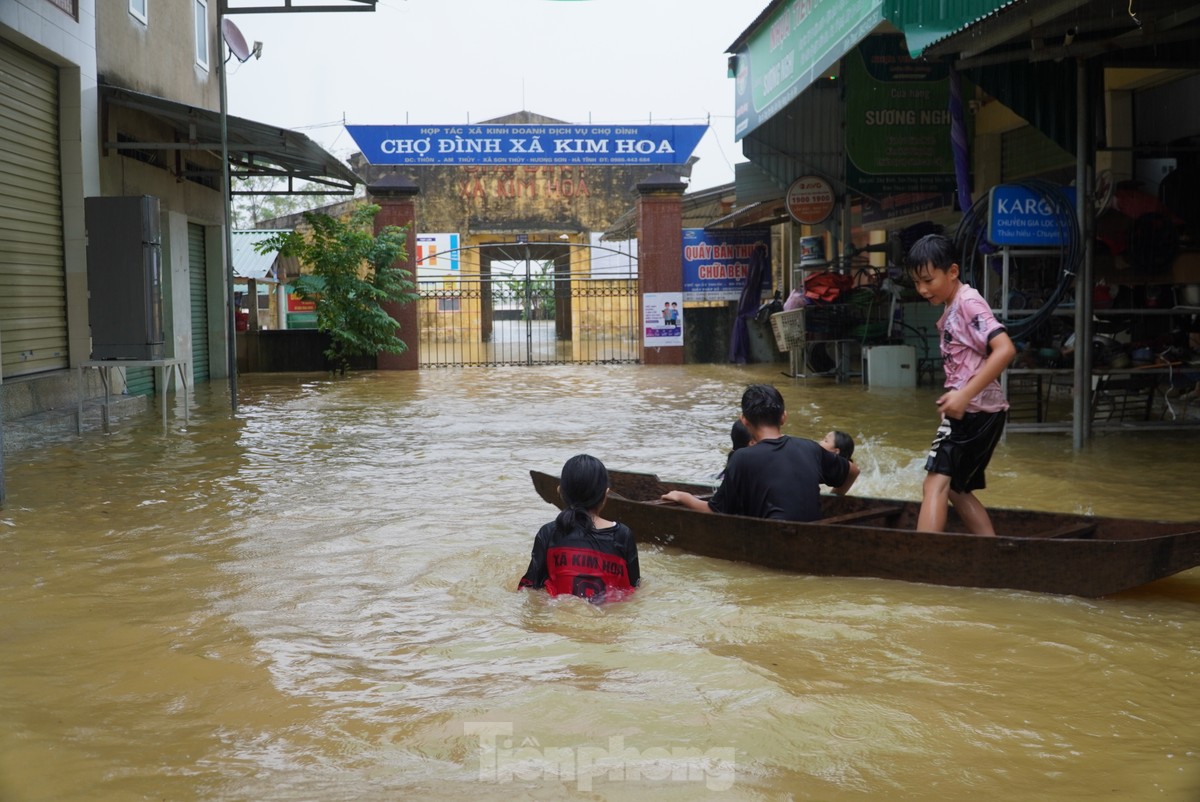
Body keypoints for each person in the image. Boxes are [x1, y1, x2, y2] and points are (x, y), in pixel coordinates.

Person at [904, 233, 1016, 535]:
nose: (922, 289)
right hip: (984, 411)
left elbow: (1005, 349)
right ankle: (988, 550)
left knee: (934, 485)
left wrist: (963, 395)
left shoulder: (967, 302)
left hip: (973, 411)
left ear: (952, 272)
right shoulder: (954, 305)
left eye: (928, 280)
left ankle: (923, 562)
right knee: (956, 488)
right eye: (917, 283)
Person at [662, 384, 858, 521]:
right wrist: (833, 498)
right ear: (784, 417)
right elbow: (853, 471)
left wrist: (683, 497)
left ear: (744, 420)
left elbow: (717, 512)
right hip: (815, 535)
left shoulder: (742, 457)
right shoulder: (810, 448)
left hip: (775, 542)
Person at [518, 454, 640, 603]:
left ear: (560, 492)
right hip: (607, 618)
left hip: (560, 617)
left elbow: (530, 586)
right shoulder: (623, 535)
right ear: (605, 494)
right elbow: (634, 588)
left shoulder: (549, 533)